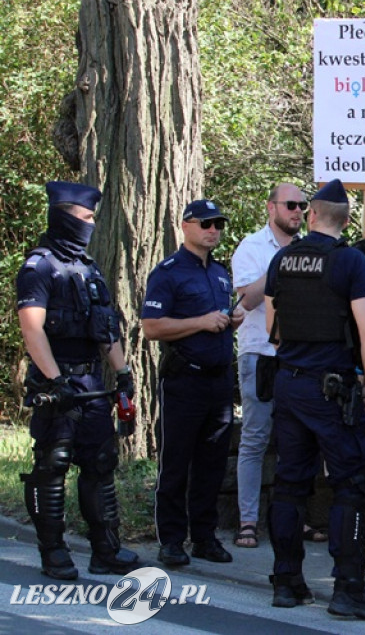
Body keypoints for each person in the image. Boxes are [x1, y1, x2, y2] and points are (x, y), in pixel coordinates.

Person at [263, 179, 365, 619]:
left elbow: (271, 330)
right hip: (332, 388)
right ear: (345, 219)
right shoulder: (350, 262)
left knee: (290, 483)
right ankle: (348, 588)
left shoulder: (282, 259)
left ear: (313, 214)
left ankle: (286, 581)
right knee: (351, 485)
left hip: (289, 384)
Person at [16, 181, 141, 580]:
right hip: (57, 387)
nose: (91, 224)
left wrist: (122, 374)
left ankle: (105, 551)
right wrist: (54, 382)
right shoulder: (39, 266)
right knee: (52, 467)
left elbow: (106, 329)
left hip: (90, 384)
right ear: (65, 217)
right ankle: (53, 552)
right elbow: (32, 330)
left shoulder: (88, 268)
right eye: (86, 218)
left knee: (101, 465)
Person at [143, 199, 243, 567]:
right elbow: (151, 327)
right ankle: (171, 540)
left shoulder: (219, 273)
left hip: (218, 383)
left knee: (211, 465)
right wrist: (201, 322)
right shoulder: (168, 272)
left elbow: (217, 320)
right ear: (185, 226)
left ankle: (204, 537)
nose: (213, 229)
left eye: (218, 223)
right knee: (176, 463)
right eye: (205, 223)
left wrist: (231, 320)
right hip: (185, 380)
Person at [230, 183, 306, 549]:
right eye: (290, 204)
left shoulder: (309, 248)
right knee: (256, 439)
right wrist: (281, 263)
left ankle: (293, 519)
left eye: (303, 205)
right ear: (270, 207)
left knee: (297, 441)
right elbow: (245, 299)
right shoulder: (252, 247)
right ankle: (248, 521)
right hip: (260, 354)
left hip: (298, 356)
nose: (298, 211)